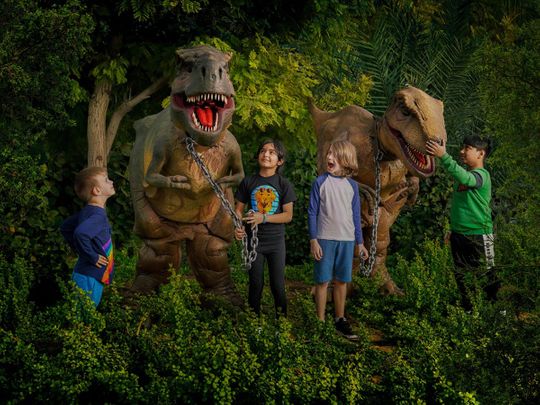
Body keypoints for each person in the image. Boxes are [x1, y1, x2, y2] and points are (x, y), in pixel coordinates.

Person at [426, 135, 498, 310]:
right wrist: (453, 230)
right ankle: (469, 312)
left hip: (480, 235)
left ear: (481, 154)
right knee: (462, 276)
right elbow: (463, 206)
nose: (461, 151)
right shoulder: (464, 176)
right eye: (462, 147)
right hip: (459, 235)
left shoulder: (482, 175)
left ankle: (498, 313)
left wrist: (444, 156)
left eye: (467, 148)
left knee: (487, 275)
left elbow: (468, 179)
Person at [308, 140, 369, 339]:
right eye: (329, 154)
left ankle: (340, 319)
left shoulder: (352, 186)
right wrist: (313, 239)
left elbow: (356, 216)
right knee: (322, 281)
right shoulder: (320, 182)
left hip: (347, 240)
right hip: (325, 239)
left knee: (341, 281)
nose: (329, 157)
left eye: (334, 155)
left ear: (346, 159)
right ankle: (320, 322)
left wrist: (360, 243)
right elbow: (312, 213)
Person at [234, 139, 296, 317]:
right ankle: (255, 324)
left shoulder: (284, 184)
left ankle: (281, 325)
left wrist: (264, 217)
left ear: (280, 161)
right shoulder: (248, 182)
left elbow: (288, 215)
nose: (266, 154)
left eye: (271, 152)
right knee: (255, 284)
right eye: (263, 151)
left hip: (276, 243)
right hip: (254, 242)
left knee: (277, 285)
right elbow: (238, 210)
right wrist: (237, 227)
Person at [60, 167, 116, 307]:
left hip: (87, 274)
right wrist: (92, 255)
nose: (111, 181)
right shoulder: (97, 215)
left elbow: (65, 227)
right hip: (90, 275)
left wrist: (81, 250)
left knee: (81, 316)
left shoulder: (88, 211)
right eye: (106, 180)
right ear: (97, 191)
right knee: (85, 318)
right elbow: (80, 234)